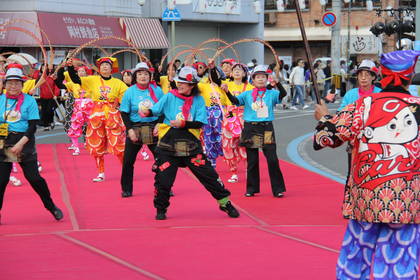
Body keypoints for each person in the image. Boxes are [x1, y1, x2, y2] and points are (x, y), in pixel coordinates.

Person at [313, 50, 419, 280]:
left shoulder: (363, 105)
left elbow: (326, 138)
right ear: (410, 77)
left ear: (382, 74)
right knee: (400, 263)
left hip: (366, 198)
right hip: (407, 201)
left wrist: (323, 118)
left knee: (355, 260)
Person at [140, 66, 239, 220]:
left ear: (192, 85)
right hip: (168, 144)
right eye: (179, 82)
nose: (179, 85)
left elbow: (200, 123)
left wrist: (183, 124)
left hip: (191, 145)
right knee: (163, 179)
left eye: (183, 83)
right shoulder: (169, 96)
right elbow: (156, 110)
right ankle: (161, 208)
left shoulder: (199, 99)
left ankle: (225, 203)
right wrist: (148, 112)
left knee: (209, 175)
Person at [0, 64, 63, 224]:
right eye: (10, 82)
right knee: (1, 181)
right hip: (4, 141)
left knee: (34, 178)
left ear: (22, 84)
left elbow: (33, 125)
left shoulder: (29, 101)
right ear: (5, 84)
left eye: (16, 83)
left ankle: (51, 206)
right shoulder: (1, 100)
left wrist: (21, 143)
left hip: (24, 141)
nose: (13, 86)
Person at [225, 65, 287, 197]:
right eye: (257, 77)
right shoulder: (247, 94)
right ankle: (251, 189)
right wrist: (227, 92)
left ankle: (278, 189)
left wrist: (278, 84)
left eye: (263, 77)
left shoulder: (271, 93)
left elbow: (283, 94)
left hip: (266, 129)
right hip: (251, 128)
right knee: (252, 160)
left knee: (272, 159)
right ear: (252, 79)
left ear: (266, 79)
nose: (260, 79)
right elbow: (235, 101)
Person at [67, 57, 128, 182]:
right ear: (99, 69)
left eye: (107, 65)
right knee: (96, 145)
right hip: (96, 116)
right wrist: (69, 67)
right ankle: (101, 173)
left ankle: (126, 170)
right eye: (102, 65)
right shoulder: (92, 80)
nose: (105, 67)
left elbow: (127, 98)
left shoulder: (118, 83)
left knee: (118, 144)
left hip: (113, 116)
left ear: (112, 69)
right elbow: (75, 79)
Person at [119, 62, 164, 198]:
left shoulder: (157, 90)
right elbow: (124, 112)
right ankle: (127, 189)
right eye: (139, 74)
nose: (143, 76)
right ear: (135, 76)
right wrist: (130, 130)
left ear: (150, 76)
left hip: (153, 127)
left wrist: (159, 125)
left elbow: (163, 110)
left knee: (162, 159)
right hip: (135, 127)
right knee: (128, 161)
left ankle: (164, 187)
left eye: (145, 74)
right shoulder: (130, 91)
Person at [220, 63, 254, 183]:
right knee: (228, 146)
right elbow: (223, 103)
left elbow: (252, 105)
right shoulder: (226, 86)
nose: (237, 71)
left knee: (245, 146)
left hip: (244, 118)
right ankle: (233, 172)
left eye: (240, 69)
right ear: (231, 73)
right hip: (230, 118)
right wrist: (228, 117)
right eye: (234, 69)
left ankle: (248, 171)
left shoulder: (250, 87)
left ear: (245, 73)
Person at [55, 63, 94, 156]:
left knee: (92, 125)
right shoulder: (73, 82)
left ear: (86, 72)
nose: (81, 72)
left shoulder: (91, 81)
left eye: (83, 71)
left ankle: (91, 144)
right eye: (79, 71)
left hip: (89, 104)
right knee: (74, 125)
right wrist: (55, 79)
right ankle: (76, 147)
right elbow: (61, 85)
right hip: (78, 105)